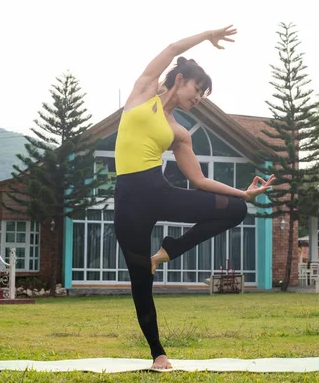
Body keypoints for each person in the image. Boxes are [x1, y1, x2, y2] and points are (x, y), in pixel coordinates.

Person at [113, 25, 275, 370]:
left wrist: (243, 192)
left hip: (159, 193)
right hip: (128, 202)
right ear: (180, 79)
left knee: (235, 209)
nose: (199, 97)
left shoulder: (179, 131)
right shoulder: (142, 94)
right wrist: (206, 35)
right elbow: (170, 47)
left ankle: (167, 252)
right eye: (197, 89)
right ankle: (158, 354)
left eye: (203, 93)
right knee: (140, 282)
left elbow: (200, 181)